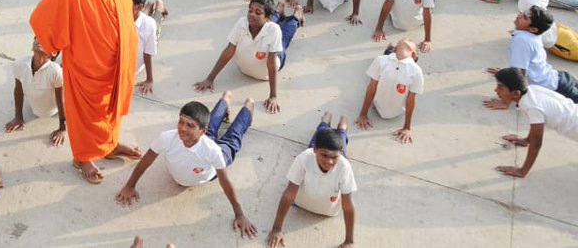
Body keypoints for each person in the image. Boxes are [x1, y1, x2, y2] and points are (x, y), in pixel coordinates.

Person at [30, 0, 141, 184]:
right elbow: (42, 20)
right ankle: (82, 157)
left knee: (111, 108)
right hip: (87, 65)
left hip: (119, 59)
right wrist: (48, 44)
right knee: (85, 115)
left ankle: (110, 144)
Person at [115, 94, 258, 239]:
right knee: (212, 125)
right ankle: (225, 100)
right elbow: (145, 161)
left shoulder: (213, 151)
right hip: (204, 140)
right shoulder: (166, 137)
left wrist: (239, 214)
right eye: (181, 122)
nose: (182, 128)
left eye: (190, 125)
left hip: (214, 160)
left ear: (202, 132)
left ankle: (248, 105)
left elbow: (225, 182)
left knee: (232, 138)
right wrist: (130, 185)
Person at [195, 0, 302, 114]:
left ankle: (297, 15)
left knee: (285, 36)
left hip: (269, 68)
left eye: (258, 12)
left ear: (267, 17)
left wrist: (273, 96)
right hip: (244, 68)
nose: (252, 14)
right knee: (268, 23)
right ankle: (279, 9)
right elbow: (229, 51)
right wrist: (210, 78)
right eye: (250, 11)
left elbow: (271, 65)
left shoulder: (274, 30)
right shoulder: (242, 23)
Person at [265, 115, 357, 248]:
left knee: (340, 137)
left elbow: (348, 205)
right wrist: (276, 229)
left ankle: (343, 125)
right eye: (324, 155)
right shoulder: (305, 158)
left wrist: (349, 241)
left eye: (334, 157)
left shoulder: (344, 166)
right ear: (315, 150)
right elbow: (289, 193)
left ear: (340, 155)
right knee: (322, 132)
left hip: (329, 211)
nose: (329, 162)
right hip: (300, 204)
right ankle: (325, 120)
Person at [484, 67, 578, 178]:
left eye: (500, 87)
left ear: (515, 94)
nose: (496, 91)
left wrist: (522, 171)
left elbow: (536, 144)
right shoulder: (532, 89)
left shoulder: (532, 107)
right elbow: (536, 125)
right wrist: (527, 140)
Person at [356, 39, 423, 143]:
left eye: (410, 41)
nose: (407, 39)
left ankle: (390, 47)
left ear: (414, 55)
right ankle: (389, 47)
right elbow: (371, 88)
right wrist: (363, 114)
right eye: (404, 40)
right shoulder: (381, 60)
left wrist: (407, 127)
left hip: (397, 111)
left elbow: (411, 100)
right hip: (377, 104)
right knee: (385, 60)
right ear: (396, 50)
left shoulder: (416, 71)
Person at [4, 39, 66, 146]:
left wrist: (62, 128)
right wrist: (18, 117)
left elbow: (61, 101)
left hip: (54, 110)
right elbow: (18, 90)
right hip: (37, 108)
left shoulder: (56, 72)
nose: (39, 40)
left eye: (44, 39)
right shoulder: (20, 63)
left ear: (54, 52)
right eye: (37, 37)